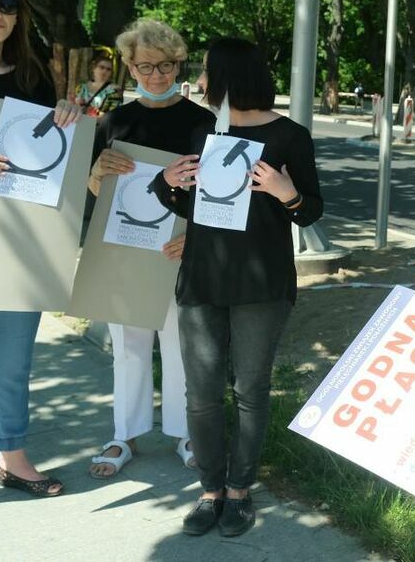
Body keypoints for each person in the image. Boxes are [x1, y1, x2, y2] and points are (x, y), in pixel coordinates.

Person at [154, 37, 323, 538]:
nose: (202, 81)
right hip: (203, 280)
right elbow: (193, 209)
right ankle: (210, 490)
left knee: (250, 390)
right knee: (201, 394)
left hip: (263, 284)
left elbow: (311, 209)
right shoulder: (203, 131)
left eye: (207, 71)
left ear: (229, 75)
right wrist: (168, 183)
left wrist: (285, 192)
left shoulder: (290, 135)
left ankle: (240, 491)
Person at [85, 19, 214, 478]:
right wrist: (98, 170)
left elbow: (214, 193)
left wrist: (193, 237)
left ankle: (185, 434)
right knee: (129, 344)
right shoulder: (115, 120)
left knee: (180, 345)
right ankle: (125, 434)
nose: (156, 75)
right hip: (125, 247)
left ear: (178, 63)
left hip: (180, 249)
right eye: (145, 66)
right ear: (129, 66)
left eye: (165, 65)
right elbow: (95, 190)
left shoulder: (203, 123)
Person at [0, 0, 80, 497]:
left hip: (16, 232)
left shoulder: (31, 78)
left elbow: (49, 157)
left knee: (13, 349)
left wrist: (65, 116)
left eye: (7, 5)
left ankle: (12, 457)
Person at [75, 50, 121, 116]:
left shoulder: (114, 90)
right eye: (102, 67)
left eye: (108, 69)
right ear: (94, 68)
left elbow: (111, 114)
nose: (105, 71)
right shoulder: (82, 87)